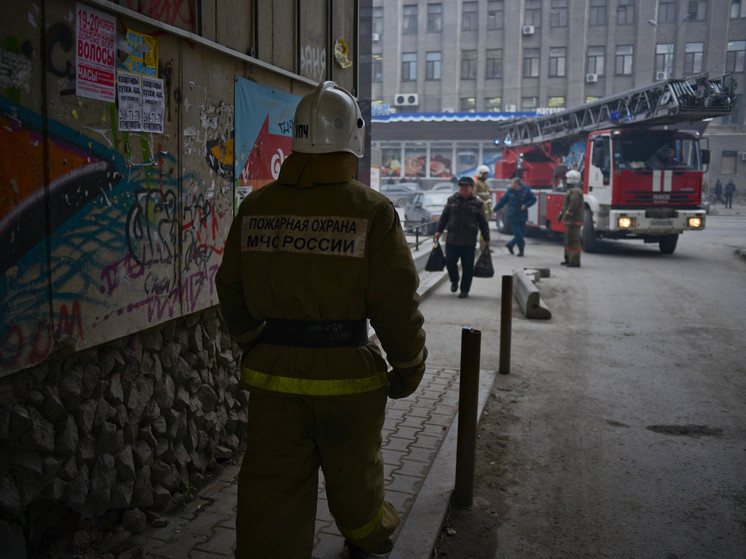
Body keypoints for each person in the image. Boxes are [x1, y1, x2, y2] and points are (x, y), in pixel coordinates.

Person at [215, 81, 427, 559]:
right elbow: (395, 300)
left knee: (272, 490)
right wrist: (409, 365)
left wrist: (255, 338)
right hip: (349, 381)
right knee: (356, 479)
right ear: (352, 139)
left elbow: (229, 285)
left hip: (273, 379)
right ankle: (367, 537)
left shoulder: (257, 207)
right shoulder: (372, 211)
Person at [434, 176, 491, 299]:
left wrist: (486, 238)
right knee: (449, 261)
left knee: (468, 267)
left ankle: (464, 290)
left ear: (472, 188)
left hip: (468, 241)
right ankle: (454, 280)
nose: (463, 189)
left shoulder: (477, 203)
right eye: (461, 187)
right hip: (452, 239)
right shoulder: (452, 200)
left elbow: (482, 222)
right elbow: (444, 217)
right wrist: (438, 231)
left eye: (466, 187)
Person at [493, 177, 537, 257]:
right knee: (518, 233)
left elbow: (533, 199)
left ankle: (510, 245)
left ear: (517, 184)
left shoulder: (526, 191)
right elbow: (502, 201)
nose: (511, 185)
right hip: (513, 216)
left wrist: (526, 205)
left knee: (521, 233)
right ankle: (521, 249)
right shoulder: (510, 192)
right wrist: (495, 209)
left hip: (522, 216)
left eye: (512, 183)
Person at [557, 170, 585, 268]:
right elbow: (567, 205)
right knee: (568, 240)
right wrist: (561, 214)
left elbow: (573, 205)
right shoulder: (572, 191)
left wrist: (567, 214)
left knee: (573, 240)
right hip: (570, 220)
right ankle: (568, 258)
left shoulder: (575, 191)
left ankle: (575, 261)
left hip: (574, 220)